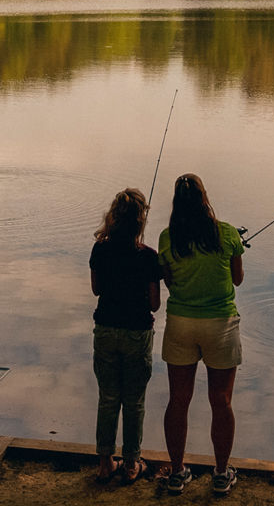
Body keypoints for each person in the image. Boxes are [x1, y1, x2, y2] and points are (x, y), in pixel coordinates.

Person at [158, 173, 244, 495]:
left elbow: (168, 280)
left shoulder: (167, 238)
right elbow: (237, 280)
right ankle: (221, 474)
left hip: (181, 322)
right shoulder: (227, 234)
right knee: (221, 401)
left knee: (178, 400)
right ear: (205, 198)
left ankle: (178, 473)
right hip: (220, 324)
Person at [89, 188, 160, 485]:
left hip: (105, 329)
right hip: (137, 333)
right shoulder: (148, 256)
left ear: (114, 217)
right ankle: (131, 464)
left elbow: (96, 289)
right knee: (134, 401)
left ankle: (105, 463)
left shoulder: (100, 249)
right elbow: (155, 303)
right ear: (140, 220)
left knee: (107, 398)